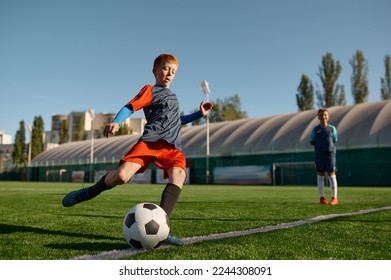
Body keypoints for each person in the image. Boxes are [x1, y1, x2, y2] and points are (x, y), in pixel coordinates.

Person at [62, 54, 213, 246]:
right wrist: (117, 121)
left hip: (172, 147)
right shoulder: (150, 90)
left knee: (179, 176)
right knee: (122, 177)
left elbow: (177, 121)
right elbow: (130, 106)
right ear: (155, 71)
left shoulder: (174, 97)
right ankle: (90, 191)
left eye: (173, 71)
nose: (169, 74)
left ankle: (163, 229)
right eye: (165, 69)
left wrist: (198, 114)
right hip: (150, 142)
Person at [310, 108, 339, 205]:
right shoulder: (315, 129)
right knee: (320, 174)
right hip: (319, 155)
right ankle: (322, 198)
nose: (323, 117)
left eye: (325, 115)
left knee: (331, 174)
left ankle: (334, 198)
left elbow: (334, 140)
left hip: (330, 155)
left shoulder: (332, 129)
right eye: (321, 115)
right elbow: (312, 141)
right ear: (318, 117)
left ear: (328, 116)